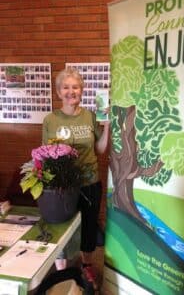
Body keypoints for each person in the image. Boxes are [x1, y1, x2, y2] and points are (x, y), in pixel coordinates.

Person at [42, 67, 110, 290]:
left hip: (90, 182)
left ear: (81, 90)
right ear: (59, 92)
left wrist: (107, 126)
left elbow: (99, 149)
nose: (71, 91)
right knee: (63, 227)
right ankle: (62, 271)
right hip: (63, 187)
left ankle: (87, 264)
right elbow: (45, 154)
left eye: (75, 87)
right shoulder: (50, 119)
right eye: (66, 87)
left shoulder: (90, 116)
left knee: (89, 226)